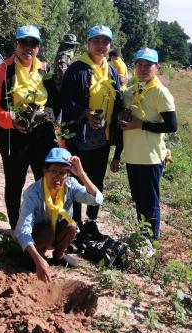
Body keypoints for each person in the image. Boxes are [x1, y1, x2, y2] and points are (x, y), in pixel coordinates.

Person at [0, 25, 59, 229]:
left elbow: (55, 101)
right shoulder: (2, 71)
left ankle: (42, 223)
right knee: (15, 183)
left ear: (38, 47)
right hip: (13, 135)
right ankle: (17, 227)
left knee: (44, 179)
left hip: (41, 135)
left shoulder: (46, 71)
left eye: (33, 43)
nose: (28, 47)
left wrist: (54, 124)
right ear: (15, 44)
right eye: (23, 42)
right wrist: (10, 119)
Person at [60, 25, 123, 234]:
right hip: (80, 135)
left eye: (105, 42)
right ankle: (75, 219)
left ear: (110, 46)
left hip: (102, 136)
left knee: (97, 177)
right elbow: (65, 101)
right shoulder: (76, 69)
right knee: (77, 177)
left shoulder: (112, 71)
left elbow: (118, 101)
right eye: (96, 41)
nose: (100, 46)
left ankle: (92, 218)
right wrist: (84, 113)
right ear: (88, 44)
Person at [111, 48, 177, 239]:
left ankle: (151, 241)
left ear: (157, 67)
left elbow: (172, 126)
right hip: (132, 157)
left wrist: (141, 125)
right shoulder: (130, 93)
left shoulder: (160, 92)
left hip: (151, 157)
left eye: (148, 64)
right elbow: (125, 127)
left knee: (150, 203)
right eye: (139, 64)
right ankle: (143, 235)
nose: (143, 68)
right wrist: (117, 156)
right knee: (139, 200)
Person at [15, 147, 103, 282]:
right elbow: (22, 230)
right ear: (45, 171)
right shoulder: (33, 193)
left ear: (68, 174)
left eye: (62, 172)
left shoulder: (70, 184)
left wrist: (81, 174)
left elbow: (96, 200)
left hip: (57, 228)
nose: (57, 177)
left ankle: (59, 255)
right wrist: (38, 260)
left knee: (71, 226)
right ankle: (35, 256)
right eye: (53, 171)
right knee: (46, 233)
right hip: (39, 234)